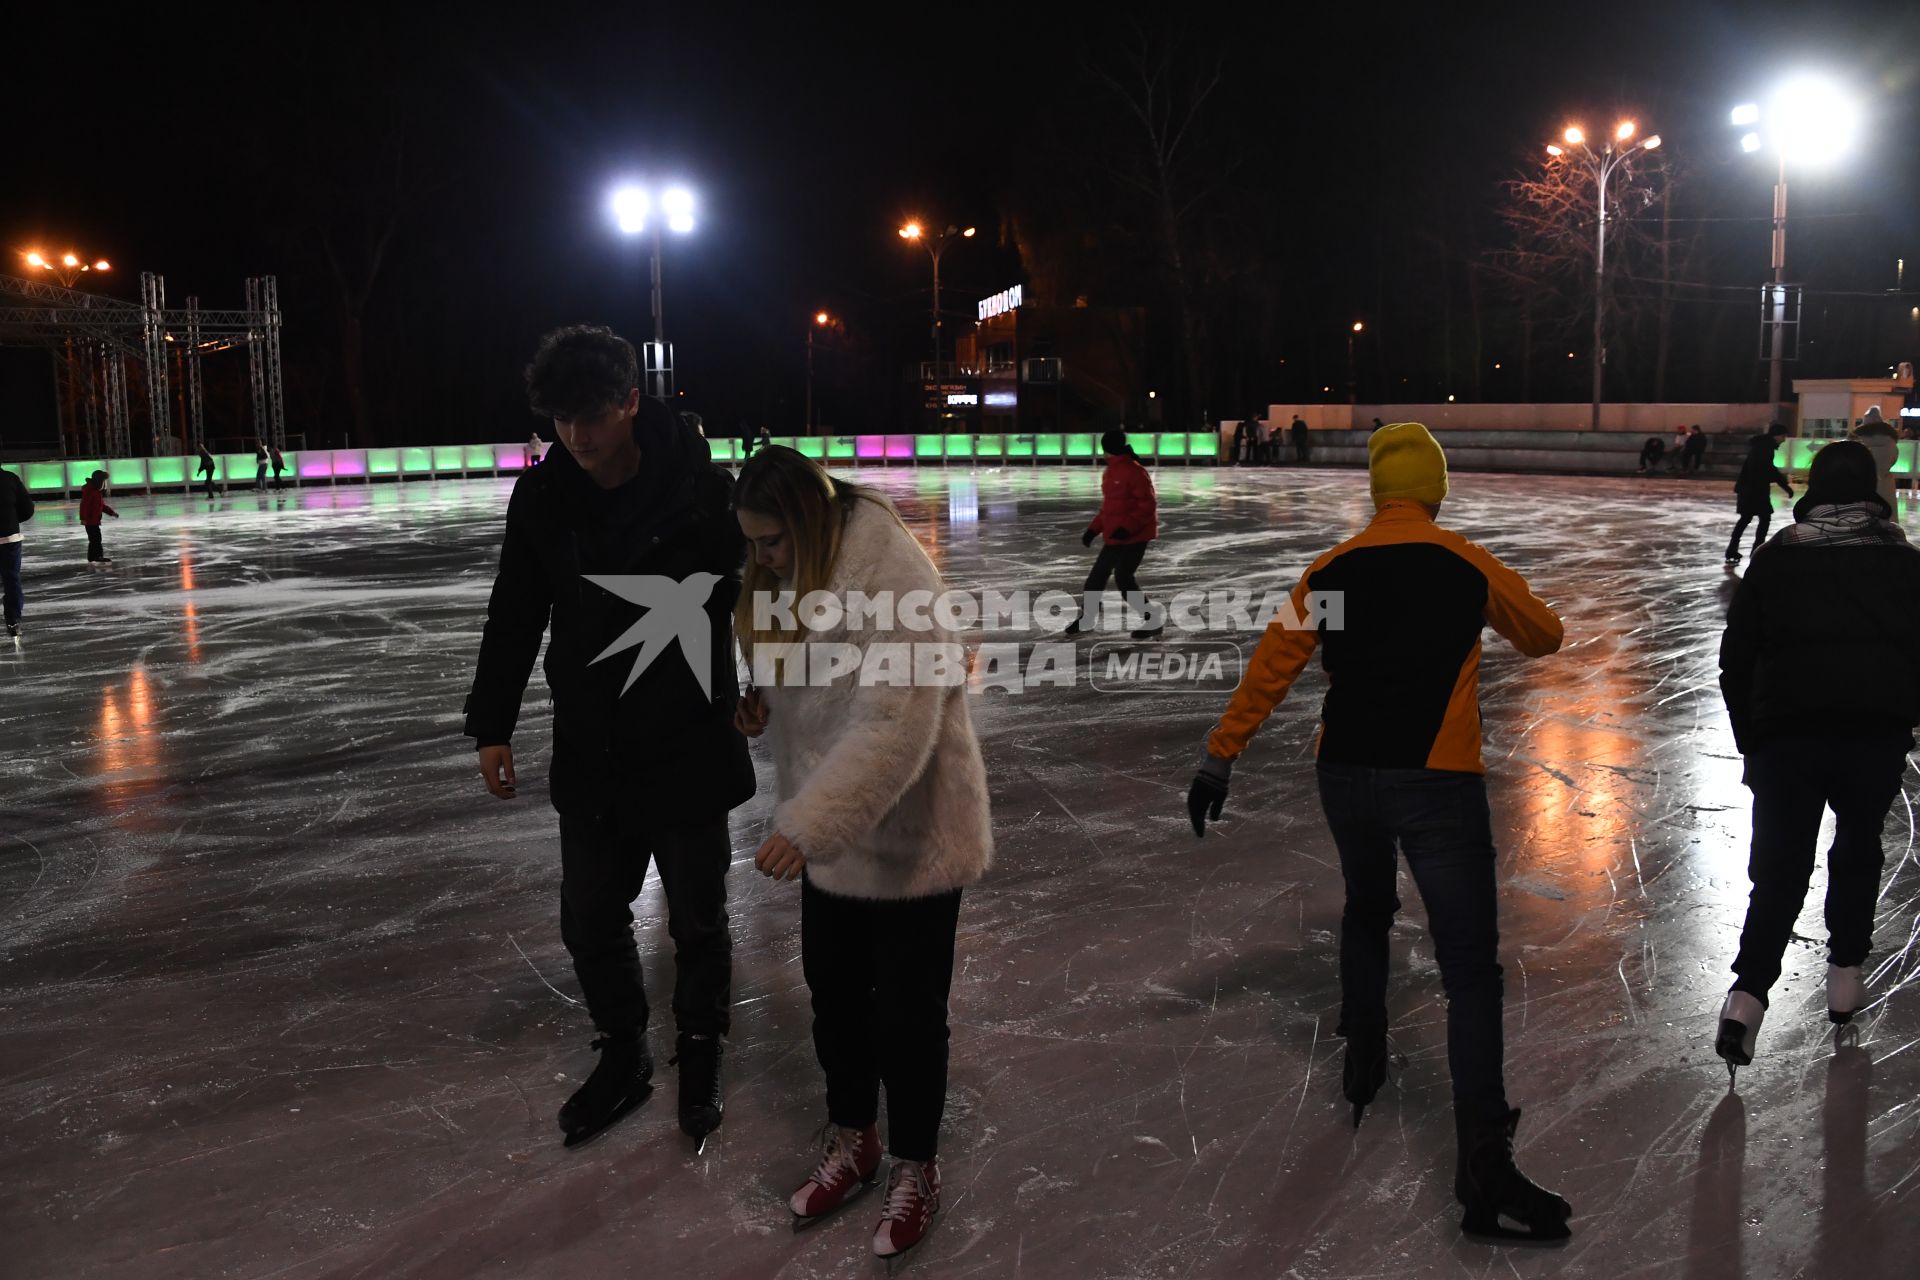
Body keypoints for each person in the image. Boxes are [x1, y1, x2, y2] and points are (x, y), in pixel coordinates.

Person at [1185, 422, 1573, 1244]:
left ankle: (1364, 1051)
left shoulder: (1332, 569)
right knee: (1468, 969)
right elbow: (1547, 633)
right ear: (1434, 487)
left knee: (1367, 908)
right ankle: (1484, 1166)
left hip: (1347, 777)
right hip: (1436, 782)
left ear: (1375, 490)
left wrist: (1221, 757)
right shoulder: (1465, 563)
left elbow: (1273, 665)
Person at [464, 325, 755, 1151]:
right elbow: (515, 610)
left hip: (690, 738)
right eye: (560, 419)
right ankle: (624, 1049)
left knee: (698, 921)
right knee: (589, 919)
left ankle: (699, 1049)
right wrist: (492, 723)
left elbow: (763, 591)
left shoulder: (704, 491)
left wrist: (770, 681)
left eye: (591, 414)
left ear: (631, 401)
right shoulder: (544, 498)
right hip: (594, 745)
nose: (577, 436)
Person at [730, 445, 991, 1261]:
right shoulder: (793, 566)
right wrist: (764, 697)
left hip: (911, 835)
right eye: (754, 544)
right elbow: (809, 662)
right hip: (836, 832)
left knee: (909, 1016)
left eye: (771, 541)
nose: (762, 558)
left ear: (806, 521)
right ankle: (856, 1137)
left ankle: (916, 1161)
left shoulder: (890, 572)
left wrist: (808, 825)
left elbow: (891, 725)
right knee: (835, 996)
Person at [1714, 440, 1920, 1082]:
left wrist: (1754, 739)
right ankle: (1845, 978)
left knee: (1778, 869)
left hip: (1788, 737)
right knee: (1858, 852)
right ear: (1872, 489)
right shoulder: (1907, 563)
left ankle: (1746, 998)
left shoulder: (1778, 559)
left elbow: (1736, 657)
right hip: (1873, 735)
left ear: (1816, 490)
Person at [1066, 429, 1163, 638]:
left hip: (1135, 536)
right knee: (1096, 578)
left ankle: (1153, 620)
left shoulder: (1134, 471)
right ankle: (1088, 618)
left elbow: (1147, 504)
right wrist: (1094, 529)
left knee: (1124, 578)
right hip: (1115, 536)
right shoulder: (1111, 471)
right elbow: (1110, 508)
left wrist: (1128, 528)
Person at [1725, 426, 1794, 563]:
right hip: (1755, 490)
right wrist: (1785, 486)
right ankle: (1757, 550)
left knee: (1747, 519)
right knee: (1764, 518)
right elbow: (1767, 469)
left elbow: (1765, 469)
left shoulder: (1761, 446)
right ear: (1776, 436)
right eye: (1783, 437)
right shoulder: (1765, 448)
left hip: (1749, 489)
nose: (1784, 440)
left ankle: (1734, 549)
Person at [1, 464, 33, 637]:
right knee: (11, 578)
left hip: (8, 537)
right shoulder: (10, 478)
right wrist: (11, 520)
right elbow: (27, 509)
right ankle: (13, 620)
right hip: (9, 538)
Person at [1850, 405, 1899, 510]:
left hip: (1861, 484)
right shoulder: (1891, 441)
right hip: (1885, 484)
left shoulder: (1856, 442)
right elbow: (1894, 459)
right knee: (1885, 515)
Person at [80, 471, 118, 566]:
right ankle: (98, 556)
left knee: (94, 539)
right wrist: (83, 518)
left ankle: (92, 557)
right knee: (96, 539)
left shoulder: (96, 491)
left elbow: (102, 506)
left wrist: (111, 512)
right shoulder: (90, 490)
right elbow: (84, 505)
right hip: (90, 520)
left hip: (94, 520)